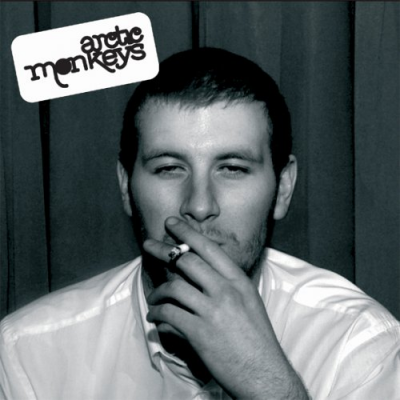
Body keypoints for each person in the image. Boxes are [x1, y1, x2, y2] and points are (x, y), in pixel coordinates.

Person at [0, 48, 399, 400]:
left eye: (233, 168)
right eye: (169, 168)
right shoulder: (27, 356)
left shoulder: (358, 344)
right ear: (125, 186)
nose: (200, 206)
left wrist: (266, 383)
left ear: (282, 188)